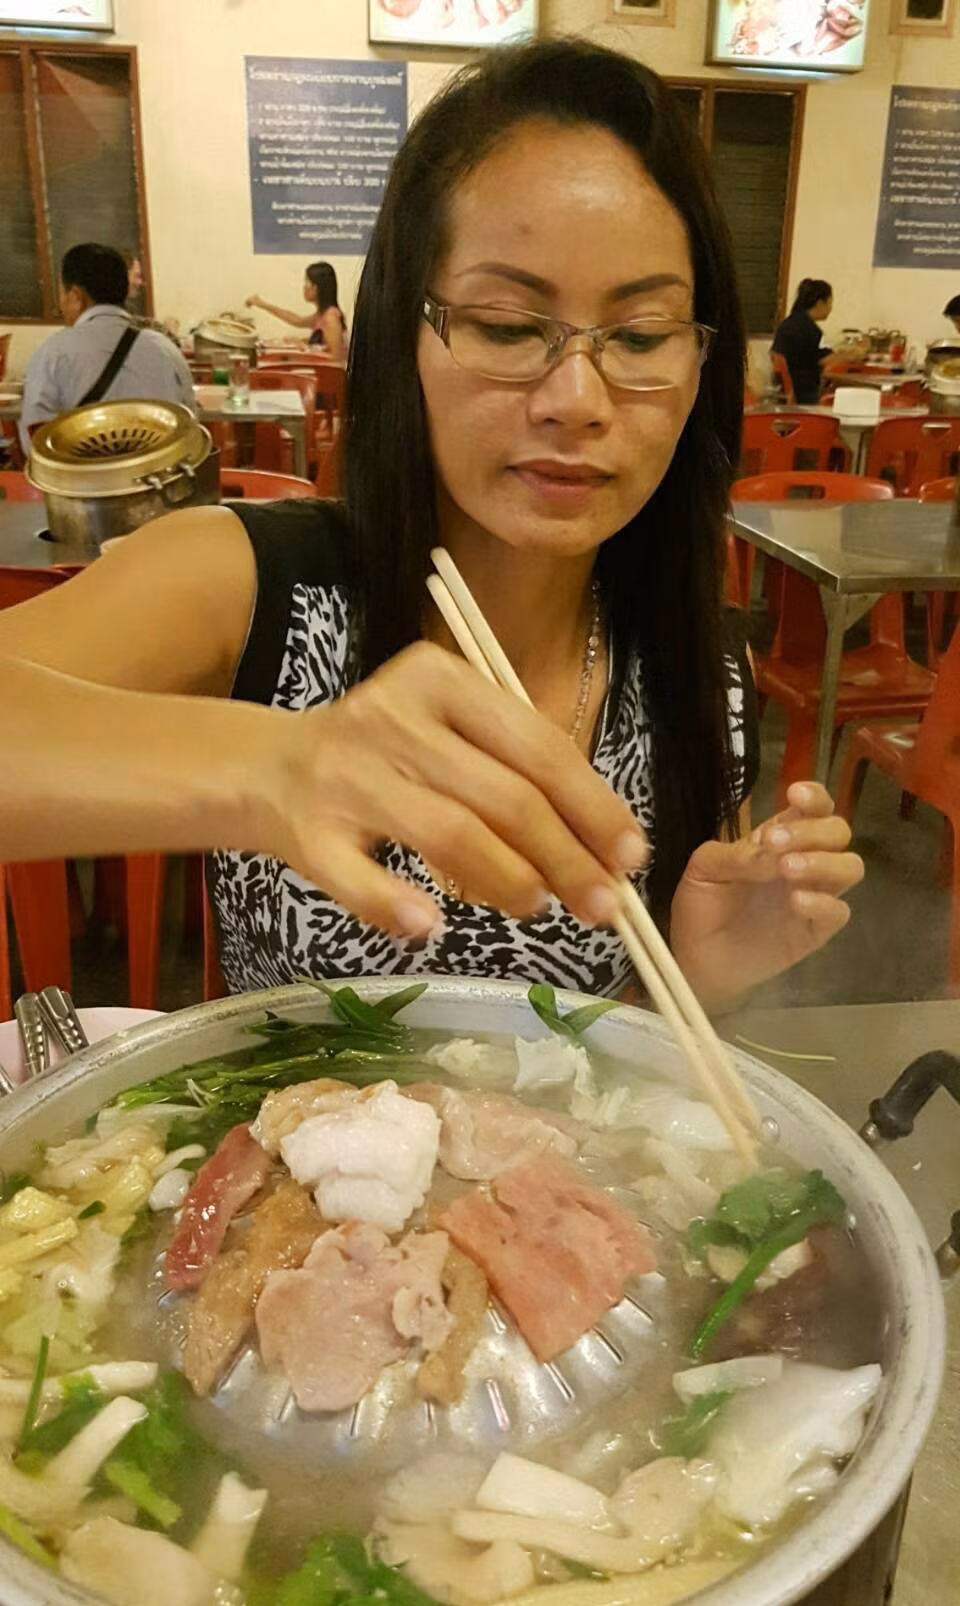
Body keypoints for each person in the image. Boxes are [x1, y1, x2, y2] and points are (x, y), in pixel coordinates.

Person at [0, 40, 861, 1013]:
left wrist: (693, 981)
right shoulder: (251, 584)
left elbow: (611, 1081)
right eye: (507, 325)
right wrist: (273, 764)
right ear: (402, 334)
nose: (578, 399)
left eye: (639, 335)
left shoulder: (695, 669)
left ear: (701, 364)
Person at [20, 244, 194, 451]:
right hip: (158, 470)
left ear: (76, 296)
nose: (61, 305)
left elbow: (35, 440)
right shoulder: (165, 349)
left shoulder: (53, 352)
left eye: (62, 295)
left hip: (83, 471)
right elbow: (189, 425)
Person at [245, 262, 347, 360]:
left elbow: (336, 358)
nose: (304, 287)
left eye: (307, 282)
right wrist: (262, 304)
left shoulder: (331, 317)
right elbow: (296, 320)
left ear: (316, 288)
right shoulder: (322, 315)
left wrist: (303, 347)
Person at [771, 278, 833, 404]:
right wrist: (855, 353)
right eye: (829, 303)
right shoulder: (808, 329)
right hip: (803, 394)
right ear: (820, 303)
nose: (831, 309)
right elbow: (823, 360)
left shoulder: (789, 323)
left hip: (785, 392)